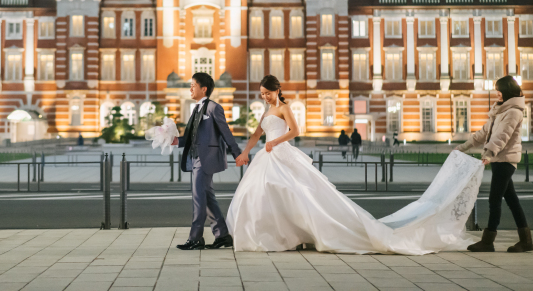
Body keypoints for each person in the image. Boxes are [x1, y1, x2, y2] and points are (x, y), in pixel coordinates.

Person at [226, 75, 484, 254]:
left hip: (281, 152)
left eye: (268, 94)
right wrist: (246, 152)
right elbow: (257, 133)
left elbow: (295, 130)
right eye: (262, 95)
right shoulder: (266, 111)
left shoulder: (284, 107)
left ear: (277, 90)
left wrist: (277, 141)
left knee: (297, 194)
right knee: (263, 193)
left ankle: (298, 235)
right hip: (267, 155)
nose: (266, 98)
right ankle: (277, 235)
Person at [456, 76, 532, 253]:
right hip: (500, 160)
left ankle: (488, 240)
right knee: (512, 201)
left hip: (505, 160)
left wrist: (489, 154)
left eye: (499, 90)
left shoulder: (513, 111)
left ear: (506, 90)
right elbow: (483, 133)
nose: (496, 93)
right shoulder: (500, 110)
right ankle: (526, 241)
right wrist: (463, 147)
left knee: (494, 199)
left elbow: (502, 136)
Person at [171, 72, 242, 250]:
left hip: (206, 159)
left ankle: (196, 238)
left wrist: (237, 153)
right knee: (207, 197)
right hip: (196, 157)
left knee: (198, 198)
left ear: (204, 89)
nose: (190, 88)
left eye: (193, 85)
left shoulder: (213, 108)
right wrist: (175, 141)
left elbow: (226, 132)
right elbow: (191, 136)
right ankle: (223, 235)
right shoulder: (196, 109)